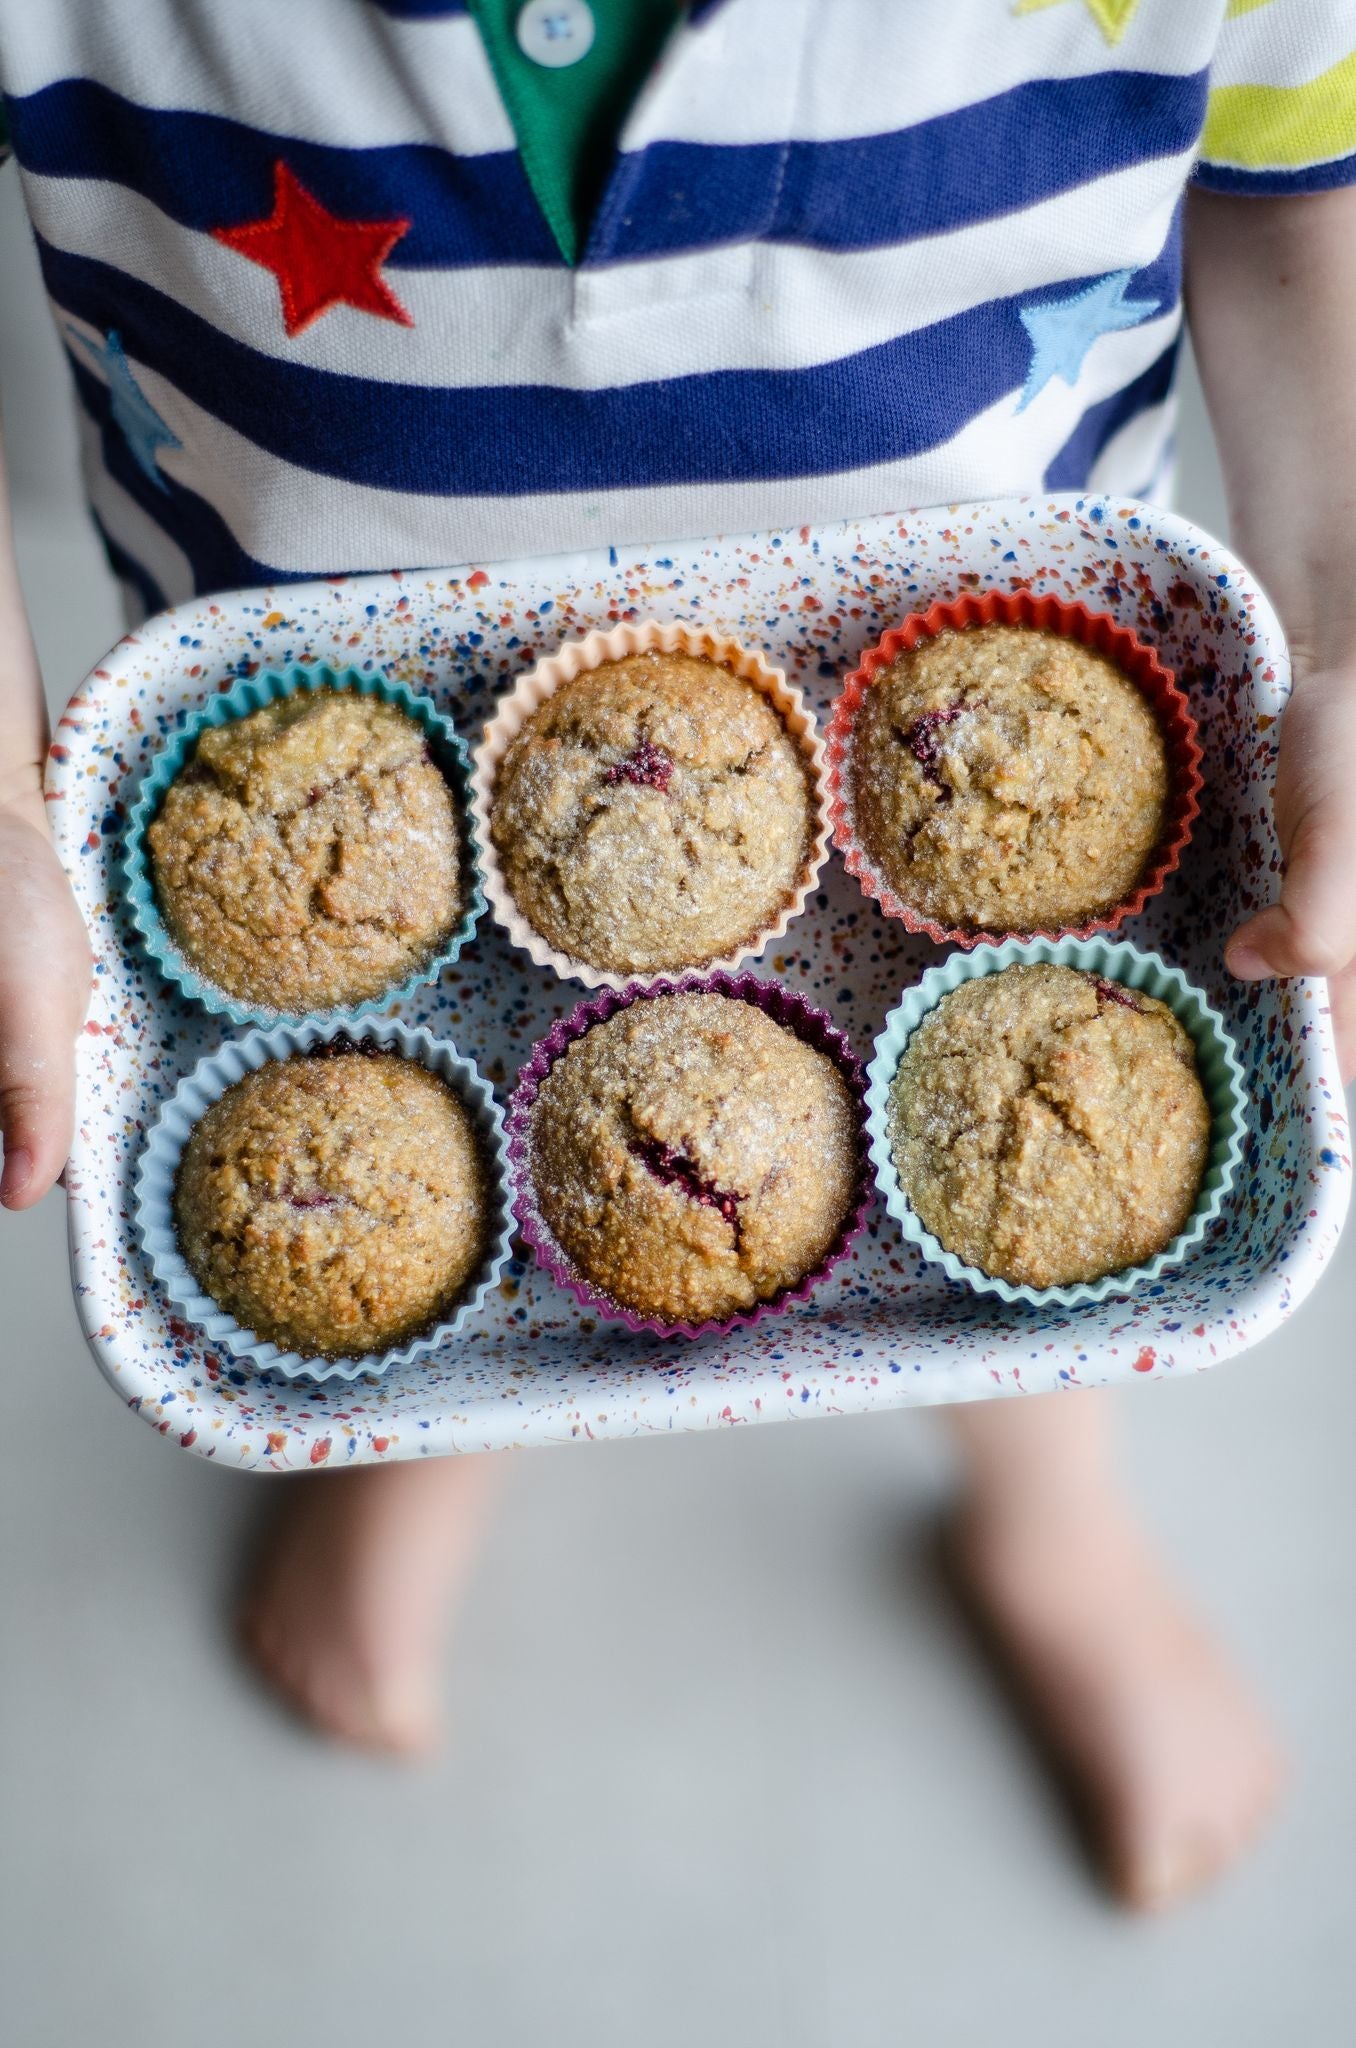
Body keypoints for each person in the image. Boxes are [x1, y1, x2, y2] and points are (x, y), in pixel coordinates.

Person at [1, 0, 1353, 1910]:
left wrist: (1346, 621)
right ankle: (424, 1416)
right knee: (461, 1242)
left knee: (1014, 1215)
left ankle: (1049, 1518)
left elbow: (1308, 191)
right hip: (319, 658)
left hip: (1013, 620)